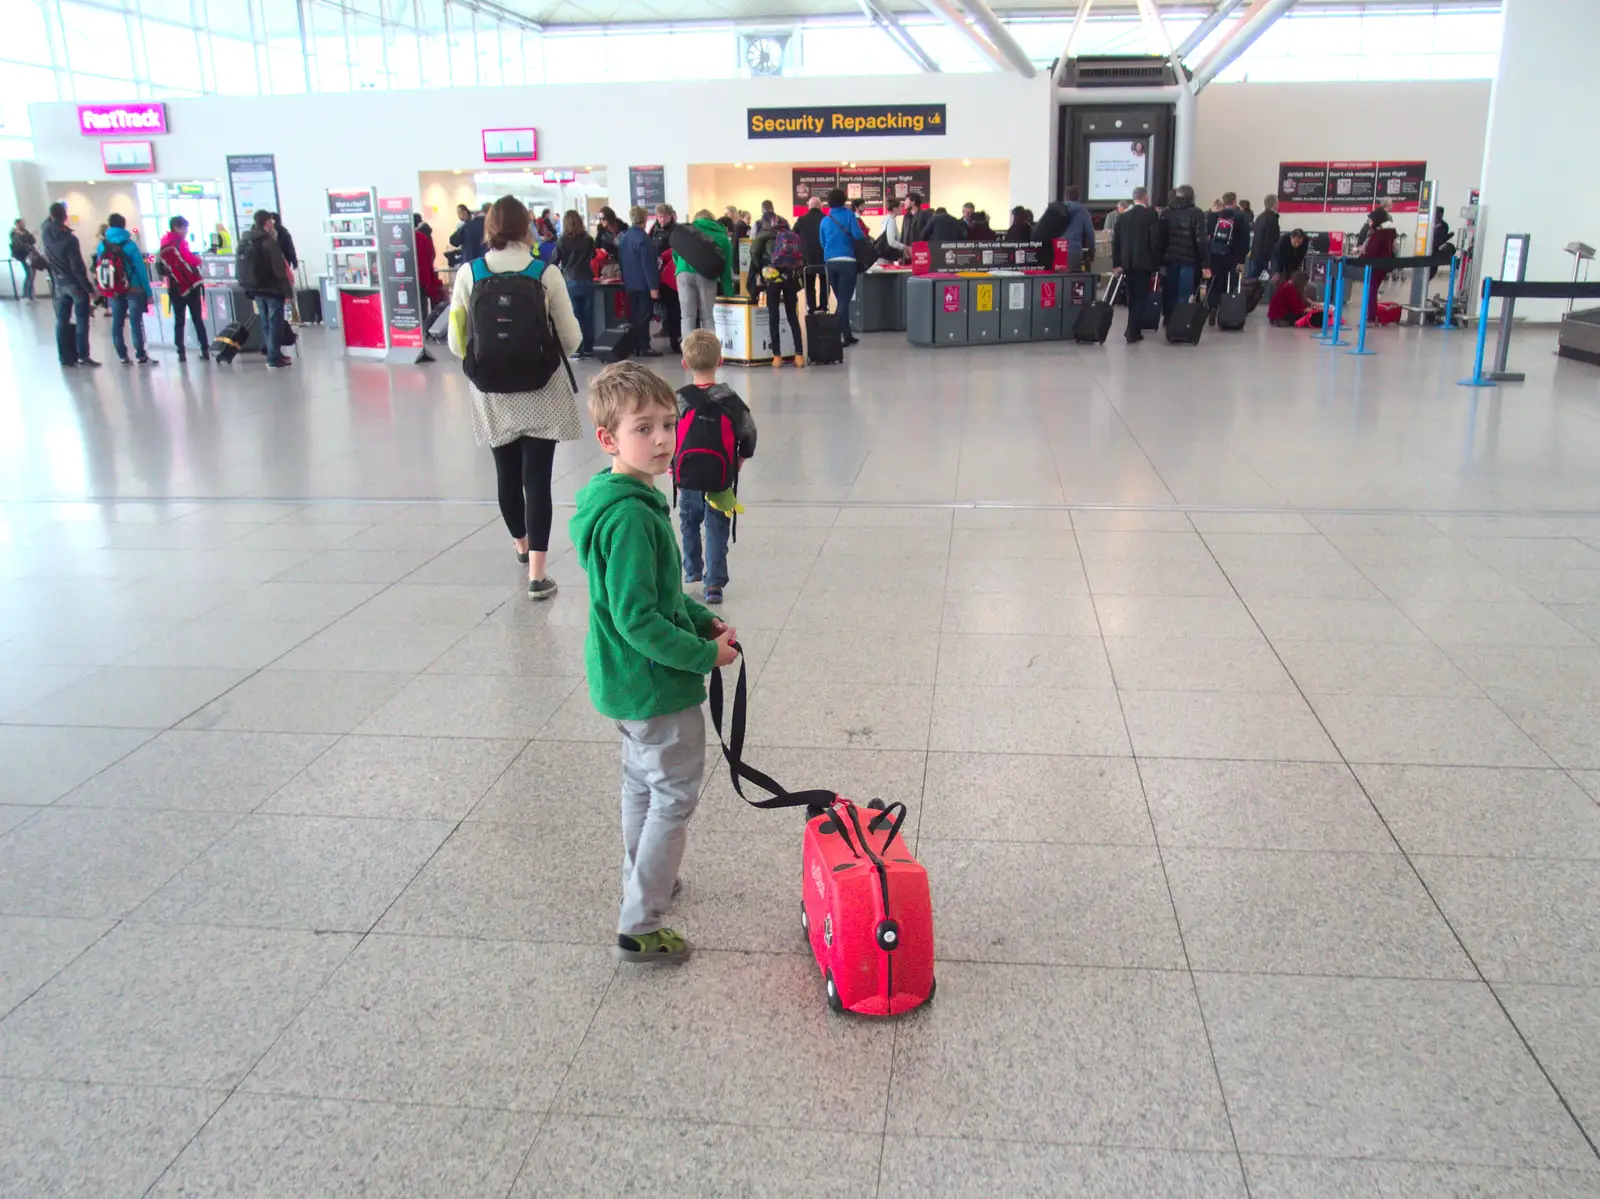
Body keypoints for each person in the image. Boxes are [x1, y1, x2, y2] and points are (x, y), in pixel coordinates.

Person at [569, 361, 739, 963]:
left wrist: (699, 620)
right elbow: (637, 619)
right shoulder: (635, 517)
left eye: (670, 424)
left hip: (620, 681)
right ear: (609, 439)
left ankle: (645, 875)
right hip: (653, 687)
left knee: (641, 782)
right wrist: (704, 654)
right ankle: (640, 923)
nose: (663, 439)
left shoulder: (613, 496)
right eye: (645, 428)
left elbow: (655, 599)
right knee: (672, 796)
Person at [448, 195, 583, 601]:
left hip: (492, 392)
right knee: (537, 480)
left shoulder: (469, 274)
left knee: (505, 474)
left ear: (488, 227)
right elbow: (571, 338)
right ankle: (538, 576)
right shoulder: (546, 273)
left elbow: (457, 341)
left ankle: (521, 546)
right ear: (528, 226)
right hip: (542, 388)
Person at [677, 328, 758, 605]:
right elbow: (749, 434)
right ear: (720, 361)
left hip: (686, 478)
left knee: (688, 522)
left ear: (684, 364)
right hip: (721, 479)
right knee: (716, 527)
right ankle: (714, 585)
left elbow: (666, 432)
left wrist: (671, 462)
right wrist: (738, 462)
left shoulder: (679, 400)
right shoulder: (732, 401)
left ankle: (692, 572)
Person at [95, 214, 157, 366]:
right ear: (124, 225)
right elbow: (141, 271)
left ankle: (122, 356)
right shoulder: (130, 245)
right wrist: (148, 293)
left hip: (113, 290)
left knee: (117, 323)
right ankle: (141, 356)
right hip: (133, 289)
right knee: (135, 323)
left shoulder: (102, 245)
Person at [41, 202, 99, 368]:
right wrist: (89, 289)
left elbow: (46, 222)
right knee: (82, 319)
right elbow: (77, 267)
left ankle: (65, 356)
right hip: (74, 284)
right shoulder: (70, 239)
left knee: (61, 320)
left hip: (58, 283)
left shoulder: (46, 234)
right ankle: (83, 355)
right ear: (65, 217)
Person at [236, 209, 292, 369]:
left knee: (266, 322)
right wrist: (287, 291)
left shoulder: (245, 240)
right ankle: (274, 358)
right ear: (267, 222)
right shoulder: (269, 242)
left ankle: (272, 352)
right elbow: (279, 269)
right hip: (272, 288)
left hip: (255, 288)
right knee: (275, 323)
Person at [1111, 186, 1160, 344]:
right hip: (1144, 262)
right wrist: (1157, 260)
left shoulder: (1122, 217)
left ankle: (1135, 328)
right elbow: (1154, 239)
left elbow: (1116, 242)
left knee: (1132, 296)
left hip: (1127, 263)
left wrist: (1117, 263)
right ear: (1145, 197)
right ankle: (1132, 330)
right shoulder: (1150, 215)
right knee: (1141, 297)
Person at [820, 187, 866, 348]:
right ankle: (838, 335)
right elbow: (859, 235)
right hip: (847, 261)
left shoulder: (825, 220)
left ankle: (847, 335)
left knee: (841, 299)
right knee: (844, 301)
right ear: (844, 200)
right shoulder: (849, 215)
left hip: (830, 262)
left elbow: (822, 242)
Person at [158, 216, 209, 363]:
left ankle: (180, 351)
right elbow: (191, 260)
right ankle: (204, 349)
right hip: (190, 286)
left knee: (179, 319)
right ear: (177, 227)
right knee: (197, 318)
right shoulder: (180, 243)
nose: (186, 231)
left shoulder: (164, 242)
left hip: (174, 287)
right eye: (185, 228)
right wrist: (198, 260)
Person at [674, 208, 731, 333]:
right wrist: (729, 293)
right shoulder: (722, 237)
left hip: (683, 273)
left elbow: (676, 254)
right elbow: (726, 269)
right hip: (707, 275)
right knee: (707, 317)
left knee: (687, 317)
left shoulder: (687, 233)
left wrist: (682, 267)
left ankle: (688, 351)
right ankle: (708, 351)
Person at [1157, 184, 1210, 318]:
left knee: (1170, 291)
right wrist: (1205, 263)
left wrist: (1159, 259)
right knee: (1184, 293)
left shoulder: (1167, 212)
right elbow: (1201, 240)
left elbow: (1160, 238)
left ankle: (1168, 318)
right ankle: (1180, 322)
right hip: (1189, 259)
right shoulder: (1197, 213)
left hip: (1169, 259)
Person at [758, 217, 804, 368]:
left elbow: (756, 253)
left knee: (774, 317)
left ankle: (777, 357)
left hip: (773, 278)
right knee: (792, 316)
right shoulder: (795, 237)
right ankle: (799, 356)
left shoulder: (769, 236)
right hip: (791, 278)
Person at [552, 209, 597, 359]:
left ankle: (578, 348)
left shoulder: (562, 241)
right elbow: (595, 254)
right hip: (587, 278)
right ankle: (590, 347)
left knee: (574, 315)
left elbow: (554, 261)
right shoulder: (588, 239)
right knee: (588, 315)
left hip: (570, 280)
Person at [618, 205, 661, 358]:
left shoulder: (624, 237)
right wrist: (653, 287)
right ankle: (644, 346)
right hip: (643, 284)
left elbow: (622, 262)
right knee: (644, 316)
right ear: (645, 218)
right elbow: (648, 265)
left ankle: (634, 345)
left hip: (630, 283)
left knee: (634, 315)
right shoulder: (644, 238)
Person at [1206, 191, 1250, 322]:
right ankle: (1225, 311)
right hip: (1232, 255)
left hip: (1215, 254)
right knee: (1229, 283)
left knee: (1214, 282)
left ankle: (1212, 306)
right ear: (1235, 202)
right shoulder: (1241, 217)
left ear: (1223, 202)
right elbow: (1244, 240)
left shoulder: (1214, 216)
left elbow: (1207, 234)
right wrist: (1242, 260)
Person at [651, 203, 682, 354]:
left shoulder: (676, 231)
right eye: (659, 216)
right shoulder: (654, 230)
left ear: (671, 216)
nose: (661, 219)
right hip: (659, 273)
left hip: (671, 274)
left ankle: (675, 339)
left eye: (664, 216)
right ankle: (668, 331)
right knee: (663, 307)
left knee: (673, 307)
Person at [1360, 207, 1398, 322]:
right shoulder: (1388, 232)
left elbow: (1373, 251)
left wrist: (1361, 256)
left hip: (1375, 265)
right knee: (1372, 290)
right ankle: (1372, 315)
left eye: (1370, 219)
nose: (1369, 222)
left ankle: (1371, 317)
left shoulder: (1379, 234)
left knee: (1371, 291)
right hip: (1383, 265)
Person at [794, 196, 827, 313]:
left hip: (807, 258)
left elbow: (793, 236)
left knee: (809, 284)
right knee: (825, 282)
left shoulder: (801, 220)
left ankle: (811, 307)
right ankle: (823, 306)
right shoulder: (826, 219)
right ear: (820, 207)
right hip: (824, 257)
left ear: (809, 206)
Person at [1249, 195, 1280, 280]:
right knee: (1276, 278)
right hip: (1266, 255)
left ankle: (1246, 292)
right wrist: (1271, 257)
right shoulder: (1272, 219)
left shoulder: (1259, 218)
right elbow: (1271, 240)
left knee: (1251, 279)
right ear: (1274, 204)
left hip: (1256, 253)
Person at [1063, 187, 1096, 268]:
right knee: (1073, 279)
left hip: (1058, 250)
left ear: (1065, 197)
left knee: (1059, 279)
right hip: (1074, 251)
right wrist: (1091, 251)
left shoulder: (1058, 209)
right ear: (1078, 198)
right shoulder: (1082, 211)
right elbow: (1090, 233)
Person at [10, 219, 38, 300]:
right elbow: (20, 243)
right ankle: (27, 294)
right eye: (21, 223)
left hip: (30, 255)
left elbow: (32, 240)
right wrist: (25, 236)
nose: (23, 224)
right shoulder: (13, 233)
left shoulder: (25, 231)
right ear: (17, 224)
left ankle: (30, 294)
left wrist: (27, 236)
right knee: (29, 273)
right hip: (23, 256)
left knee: (32, 273)